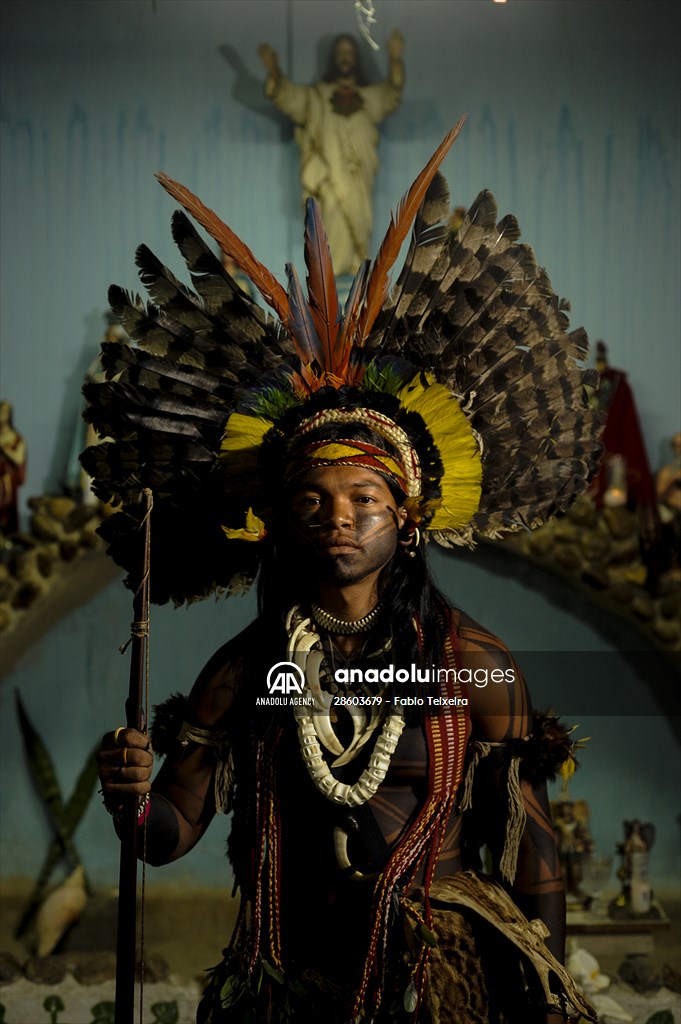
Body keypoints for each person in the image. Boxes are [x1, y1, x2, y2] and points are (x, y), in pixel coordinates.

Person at [87, 126, 601, 1022]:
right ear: (280, 521)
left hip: (435, 986)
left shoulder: (469, 665)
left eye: (361, 497)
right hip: (283, 983)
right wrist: (130, 801)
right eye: (313, 501)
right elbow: (170, 829)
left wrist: (545, 995)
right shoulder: (250, 673)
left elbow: (533, 848)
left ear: (405, 518)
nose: (337, 519)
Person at [257, 31, 404, 276]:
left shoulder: (368, 97)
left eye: (348, 52)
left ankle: (359, 281)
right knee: (331, 230)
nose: (344, 58)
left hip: (359, 179)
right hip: (329, 179)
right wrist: (274, 72)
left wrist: (396, 60)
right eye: (339, 53)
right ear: (332, 59)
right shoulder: (317, 97)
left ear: (356, 58)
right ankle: (331, 288)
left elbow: (391, 94)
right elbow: (289, 97)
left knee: (361, 223)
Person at [0, 399, 27, 537]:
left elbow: (19, 459)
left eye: (4, 411)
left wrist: (5, 450)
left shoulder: (16, 438)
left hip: (7, 480)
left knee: (7, 508)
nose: (1, 414)